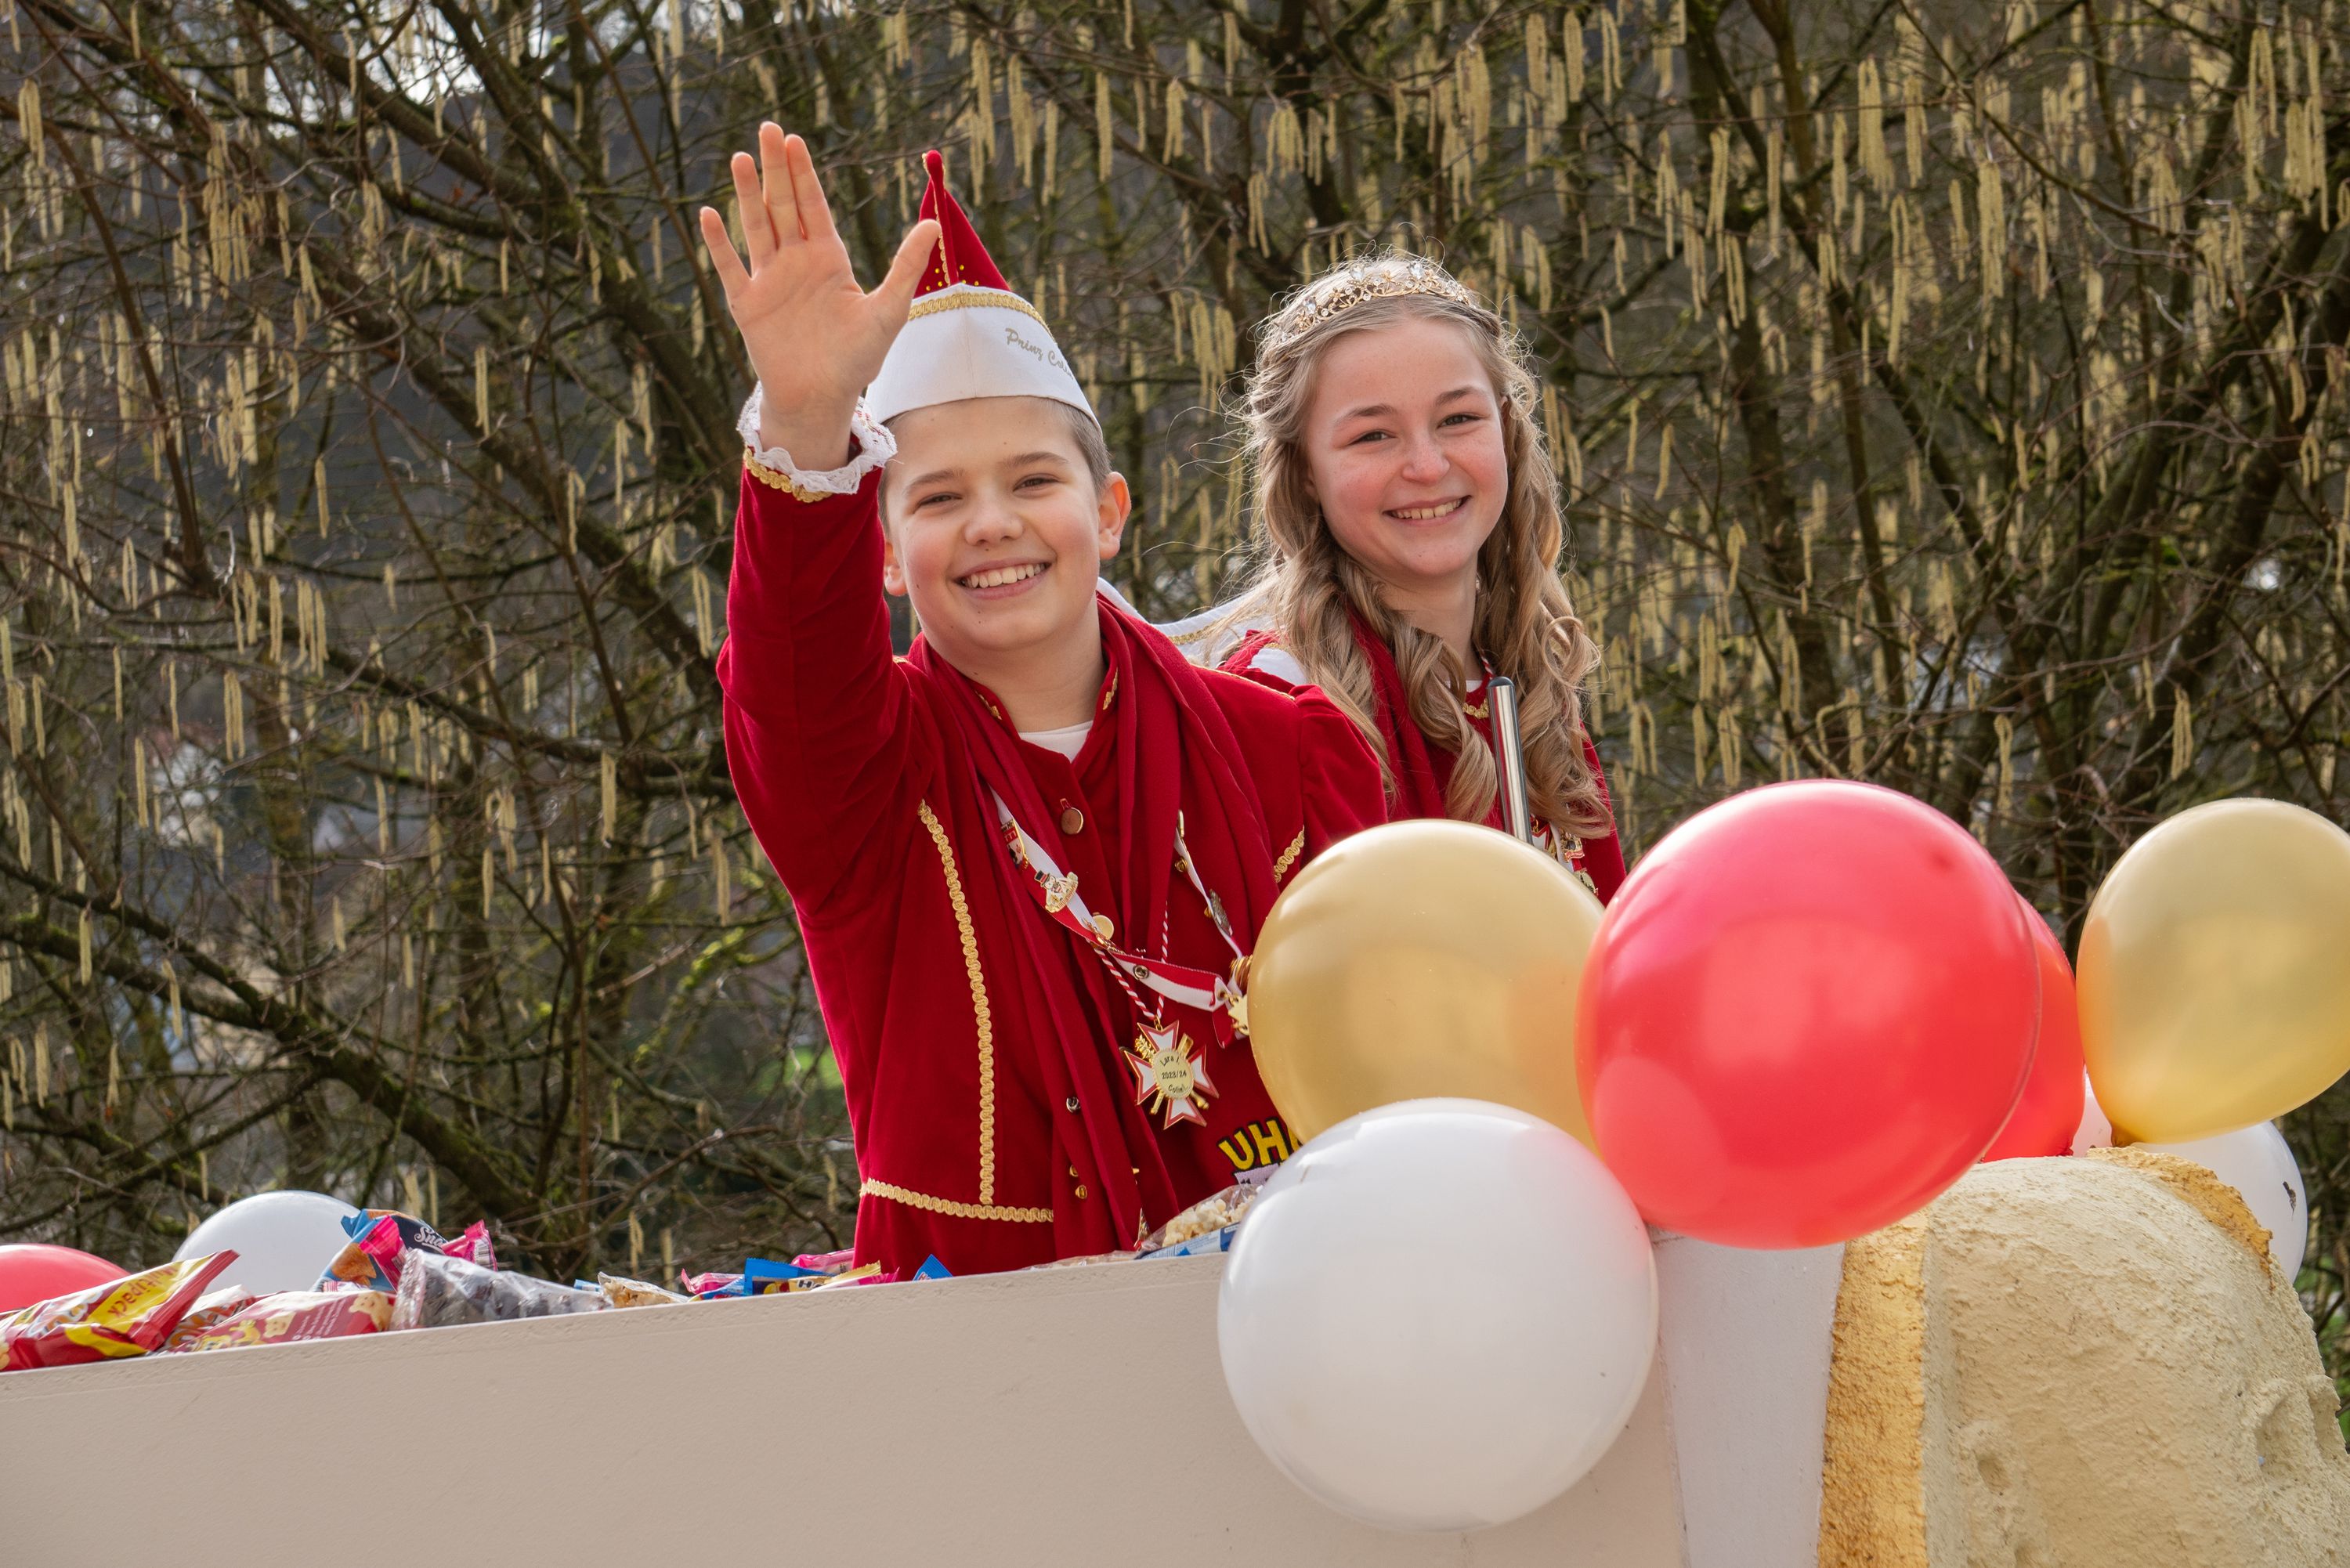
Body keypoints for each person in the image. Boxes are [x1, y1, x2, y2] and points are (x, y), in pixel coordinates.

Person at [701, 128, 1384, 1277]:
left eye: (1033, 480)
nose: (992, 523)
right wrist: (811, 424)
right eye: (938, 496)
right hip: (980, 1368)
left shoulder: (1296, 753)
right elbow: (792, 676)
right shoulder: (862, 785)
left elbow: (1387, 1048)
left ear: (1109, 510)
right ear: (878, 547)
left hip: (1291, 1321)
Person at [1162, 253, 1626, 901]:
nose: (1428, 466)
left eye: (1458, 419)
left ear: (1507, 432)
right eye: (1374, 435)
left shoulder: (1535, 691)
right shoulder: (1275, 712)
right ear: (1303, 471)